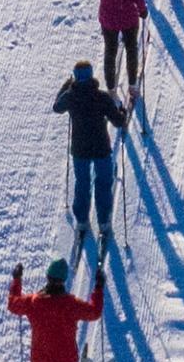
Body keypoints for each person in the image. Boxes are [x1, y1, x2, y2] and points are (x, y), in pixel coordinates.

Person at [51, 60, 128, 239]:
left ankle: (82, 220)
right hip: (101, 147)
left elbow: (56, 107)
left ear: (76, 77)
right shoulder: (102, 97)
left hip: (80, 150)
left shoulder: (70, 96)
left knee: (82, 183)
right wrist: (122, 113)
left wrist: (65, 87)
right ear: (92, 75)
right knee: (103, 182)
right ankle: (103, 221)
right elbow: (118, 121)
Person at [90, 0, 147, 99]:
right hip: (128, 18)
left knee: (110, 52)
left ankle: (110, 88)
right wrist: (142, 11)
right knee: (131, 50)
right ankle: (133, 86)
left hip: (108, 19)